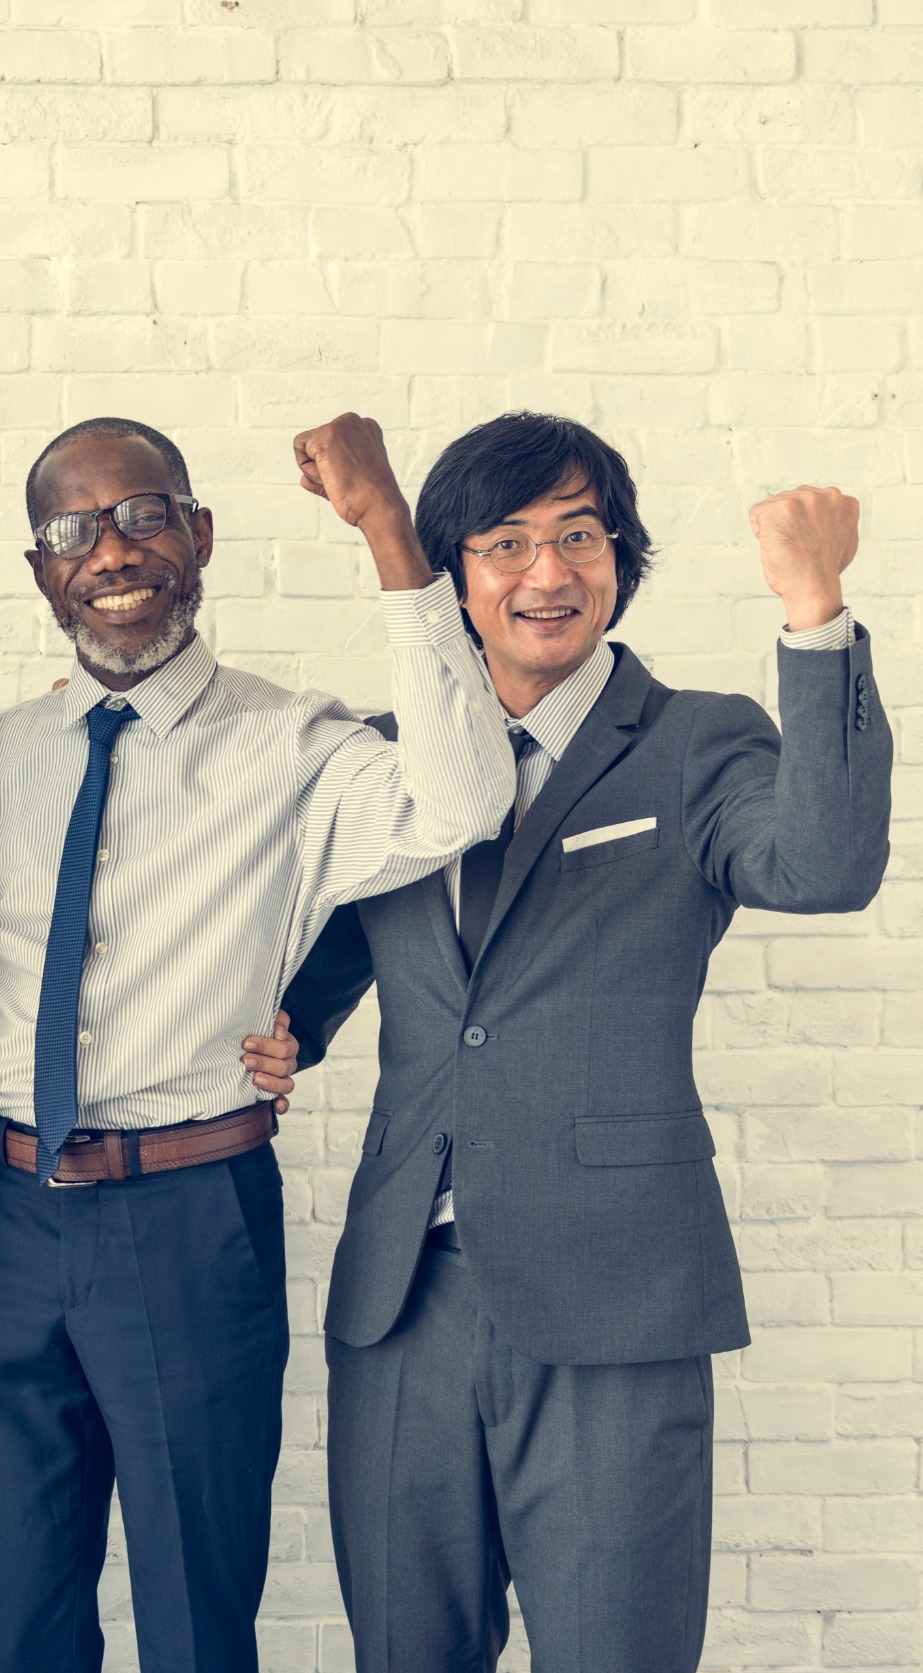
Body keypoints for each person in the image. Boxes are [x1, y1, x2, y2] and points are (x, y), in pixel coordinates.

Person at [279, 415, 892, 1673]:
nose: (545, 572)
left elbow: (823, 866)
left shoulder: (694, 740)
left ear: (620, 555)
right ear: (451, 573)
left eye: (576, 536)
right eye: (504, 542)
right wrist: (266, 1034)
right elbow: (310, 964)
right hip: (402, 1302)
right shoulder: (384, 757)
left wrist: (812, 610)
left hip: (615, 1298)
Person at [0, 413, 515, 1673]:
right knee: (19, 1616)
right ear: (39, 569)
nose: (110, 549)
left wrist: (386, 529)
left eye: (143, 513)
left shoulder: (298, 745)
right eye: (71, 529)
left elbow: (467, 797)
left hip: (188, 1215)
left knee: (196, 1620)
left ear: (198, 535)